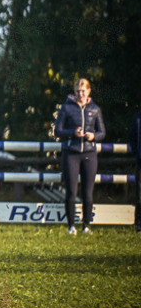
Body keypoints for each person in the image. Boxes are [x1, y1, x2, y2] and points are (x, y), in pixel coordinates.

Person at [54, 78, 106, 235]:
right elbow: (57, 130)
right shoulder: (66, 108)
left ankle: (86, 226)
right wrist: (72, 133)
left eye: (83, 91)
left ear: (89, 91)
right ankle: (71, 226)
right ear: (74, 92)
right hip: (71, 153)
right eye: (77, 91)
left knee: (88, 192)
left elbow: (102, 132)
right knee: (71, 191)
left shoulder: (95, 109)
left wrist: (93, 136)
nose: (80, 94)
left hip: (89, 153)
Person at [129, 107, 141, 233]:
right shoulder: (137, 117)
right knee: (139, 195)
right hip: (140, 161)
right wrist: (137, 153)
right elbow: (131, 137)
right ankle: (139, 225)